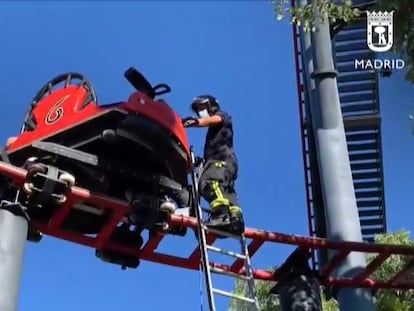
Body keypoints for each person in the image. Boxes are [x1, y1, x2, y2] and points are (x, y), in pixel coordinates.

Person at [181, 95, 244, 236]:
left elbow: (215, 119)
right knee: (226, 191)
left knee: (209, 183)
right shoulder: (215, 134)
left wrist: (196, 122)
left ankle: (221, 215)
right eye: (198, 110)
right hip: (226, 162)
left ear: (212, 105)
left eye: (202, 107)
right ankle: (235, 221)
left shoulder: (222, 116)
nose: (201, 111)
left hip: (220, 158)